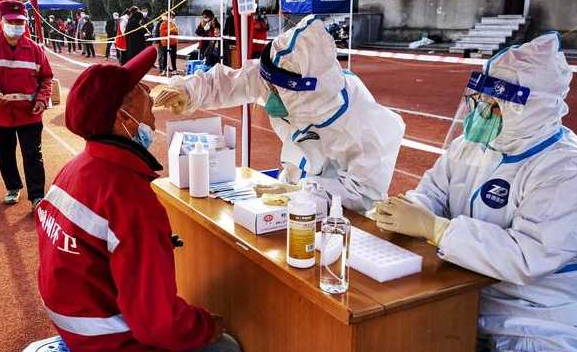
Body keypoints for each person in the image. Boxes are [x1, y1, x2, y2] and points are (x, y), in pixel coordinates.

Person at [373, 33, 577, 352]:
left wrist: (436, 229)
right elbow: (436, 190)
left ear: (527, 109)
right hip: (467, 296)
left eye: (494, 103)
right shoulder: (472, 144)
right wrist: (412, 208)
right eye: (481, 99)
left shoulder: (567, 170)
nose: (482, 110)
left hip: (541, 318)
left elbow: (525, 257)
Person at [36, 46, 242, 352]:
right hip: (102, 336)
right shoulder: (129, 197)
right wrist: (206, 326)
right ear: (121, 118)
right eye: (139, 91)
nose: (150, 97)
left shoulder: (75, 169)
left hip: (69, 317)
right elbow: (155, 323)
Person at [156, 15, 405, 213]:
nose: (267, 94)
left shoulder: (360, 123)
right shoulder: (282, 77)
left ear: (300, 96)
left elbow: (362, 195)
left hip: (339, 218)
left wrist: (298, 193)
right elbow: (231, 82)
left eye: (274, 90)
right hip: (293, 193)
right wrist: (188, 91)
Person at [0, 0, 53, 208]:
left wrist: (42, 99)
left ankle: (37, 196)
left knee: (33, 153)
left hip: (29, 113)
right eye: (11, 21)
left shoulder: (35, 50)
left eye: (20, 21)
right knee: (5, 152)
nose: (16, 25)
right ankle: (13, 187)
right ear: (1, 21)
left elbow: (46, 78)